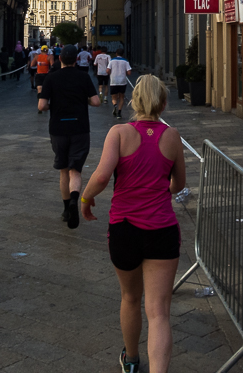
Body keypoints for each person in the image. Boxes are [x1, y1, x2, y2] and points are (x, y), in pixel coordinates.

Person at [81, 75, 186, 373]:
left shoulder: (119, 133)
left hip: (124, 228)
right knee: (159, 312)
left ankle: (131, 359)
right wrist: (159, 190)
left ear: (133, 101)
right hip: (162, 229)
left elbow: (102, 176)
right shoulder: (172, 136)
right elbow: (179, 183)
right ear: (164, 104)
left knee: (130, 297)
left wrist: (85, 200)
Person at [38, 44, 101, 228]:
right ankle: (75, 199)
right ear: (76, 60)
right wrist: (84, 100)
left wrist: (52, 106)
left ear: (59, 59)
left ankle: (66, 208)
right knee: (76, 170)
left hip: (58, 128)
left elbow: (42, 106)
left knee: (63, 170)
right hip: (79, 127)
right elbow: (96, 102)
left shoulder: (51, 78)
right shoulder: (83, 77)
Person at [109, 47, 133, 119]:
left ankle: (115, 105)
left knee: (114, 97)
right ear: (123, 54)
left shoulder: (112, 61)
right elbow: (129, 72)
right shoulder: (125, 61)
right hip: (122, 81)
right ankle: (119, 112)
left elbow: (107, 70)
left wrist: (112, 73)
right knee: (122, 97)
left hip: (113, 81)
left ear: (116, 54)